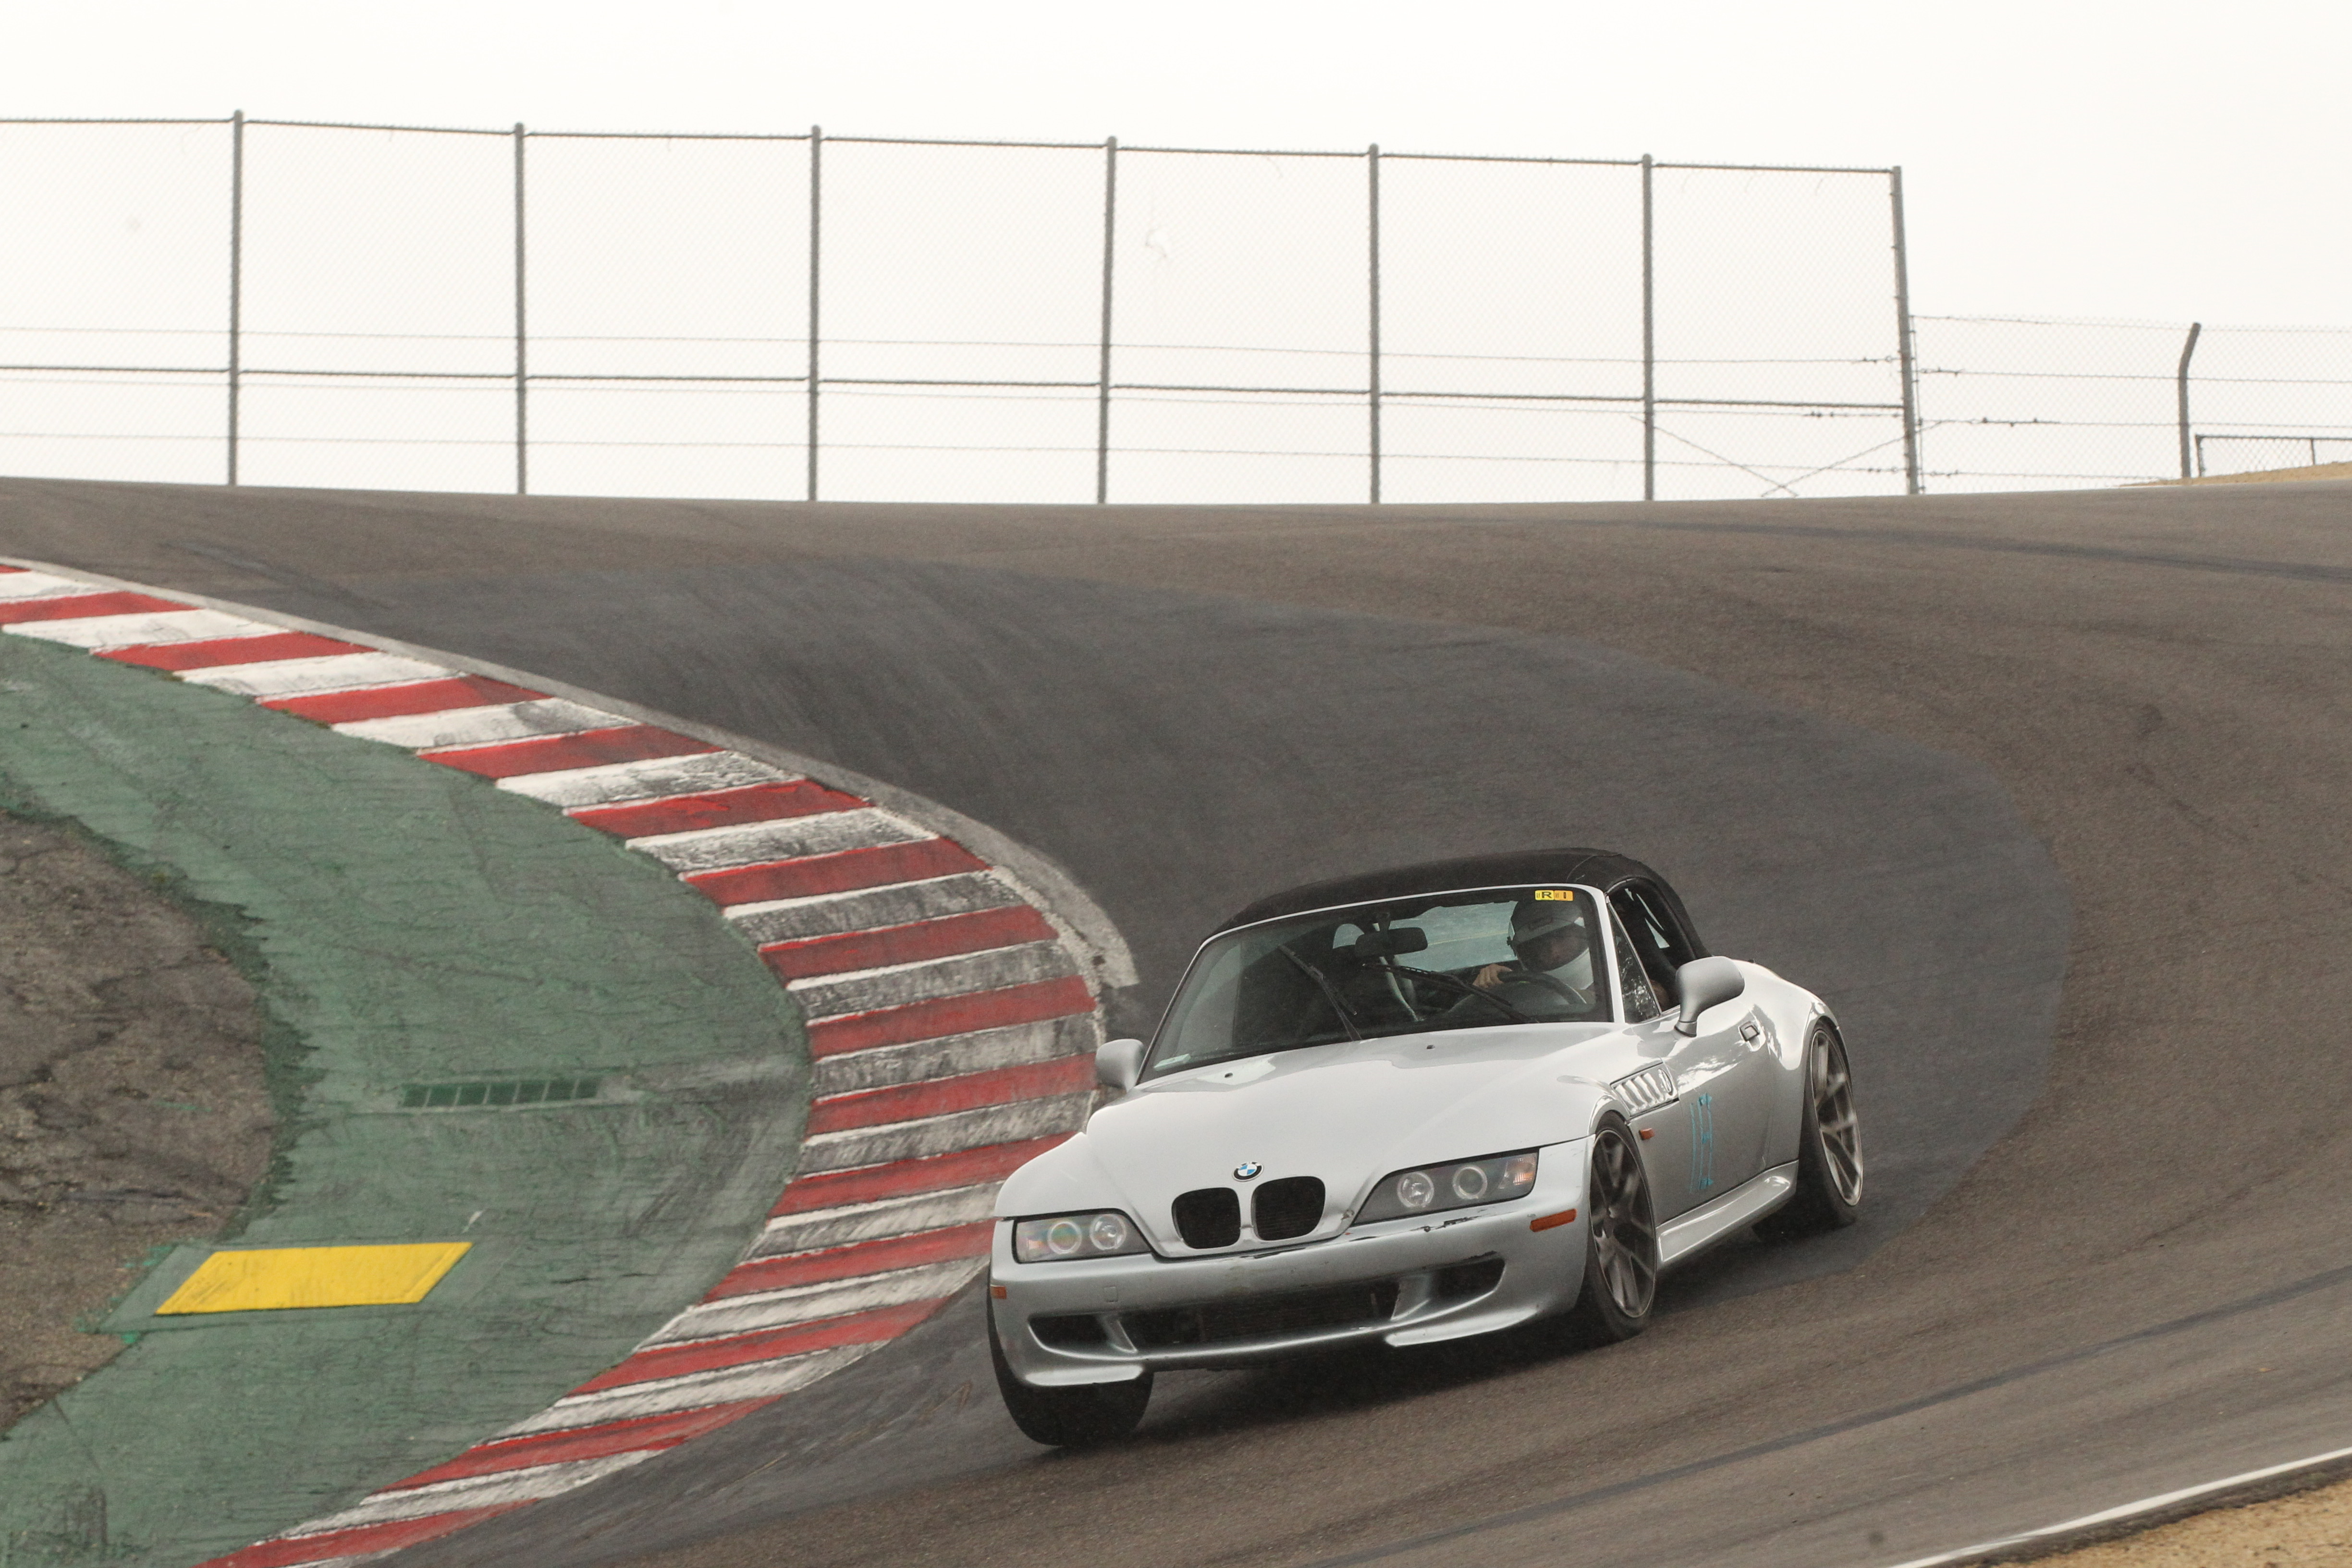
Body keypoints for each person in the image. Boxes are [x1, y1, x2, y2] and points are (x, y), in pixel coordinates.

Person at [1467, 897, 1597, 1010]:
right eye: (1541, 944)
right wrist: (1486, 987)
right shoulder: (1521, 986)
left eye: (1561, 938)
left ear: (1583, 935)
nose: (1554, 951)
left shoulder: (1612, 980)